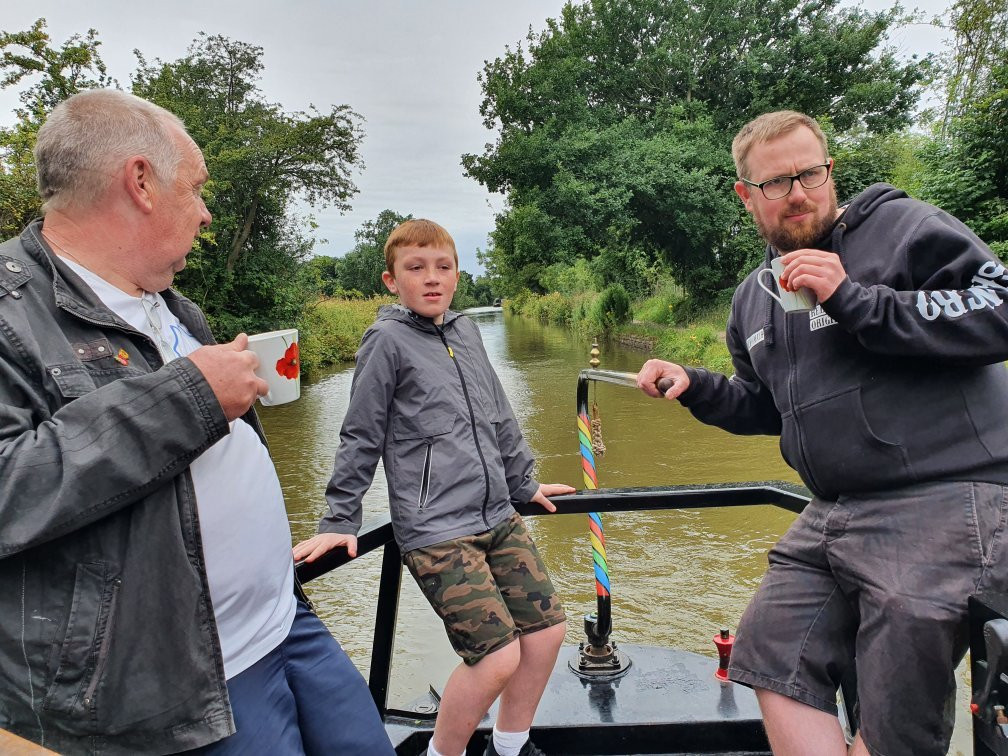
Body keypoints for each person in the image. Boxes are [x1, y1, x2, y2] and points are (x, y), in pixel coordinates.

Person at [0, 89, 393, 755]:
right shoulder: (11, 312)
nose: (207, 214)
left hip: (283, 620)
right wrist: (193, 395)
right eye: (198, 189)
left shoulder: (174, 306)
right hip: (172, 687)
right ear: (141, 181)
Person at [636, 110, 1008, 756]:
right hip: (834, 511)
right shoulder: (753, 299)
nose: (800, 192)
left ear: (829, 169)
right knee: (767, 646)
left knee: (896, 687)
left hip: (949, 495)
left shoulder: (901, 229)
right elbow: (766, 408)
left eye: (810, 172)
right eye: (777, 182)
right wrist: (695, 387)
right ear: (745, 195)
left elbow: (999, 306)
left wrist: (858, 300)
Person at [293, 219, 574, 756]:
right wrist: (338, 521)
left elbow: (498, 413)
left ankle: (509, 749)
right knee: (496, 657)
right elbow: (359, 434)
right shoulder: (386, 341)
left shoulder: (467, 331)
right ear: (390, 279)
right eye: (415, 268)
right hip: (437, 530)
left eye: (443, 267)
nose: (431, 278)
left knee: (545, 635)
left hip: (496, 514)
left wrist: (523, 481)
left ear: (457, 274)